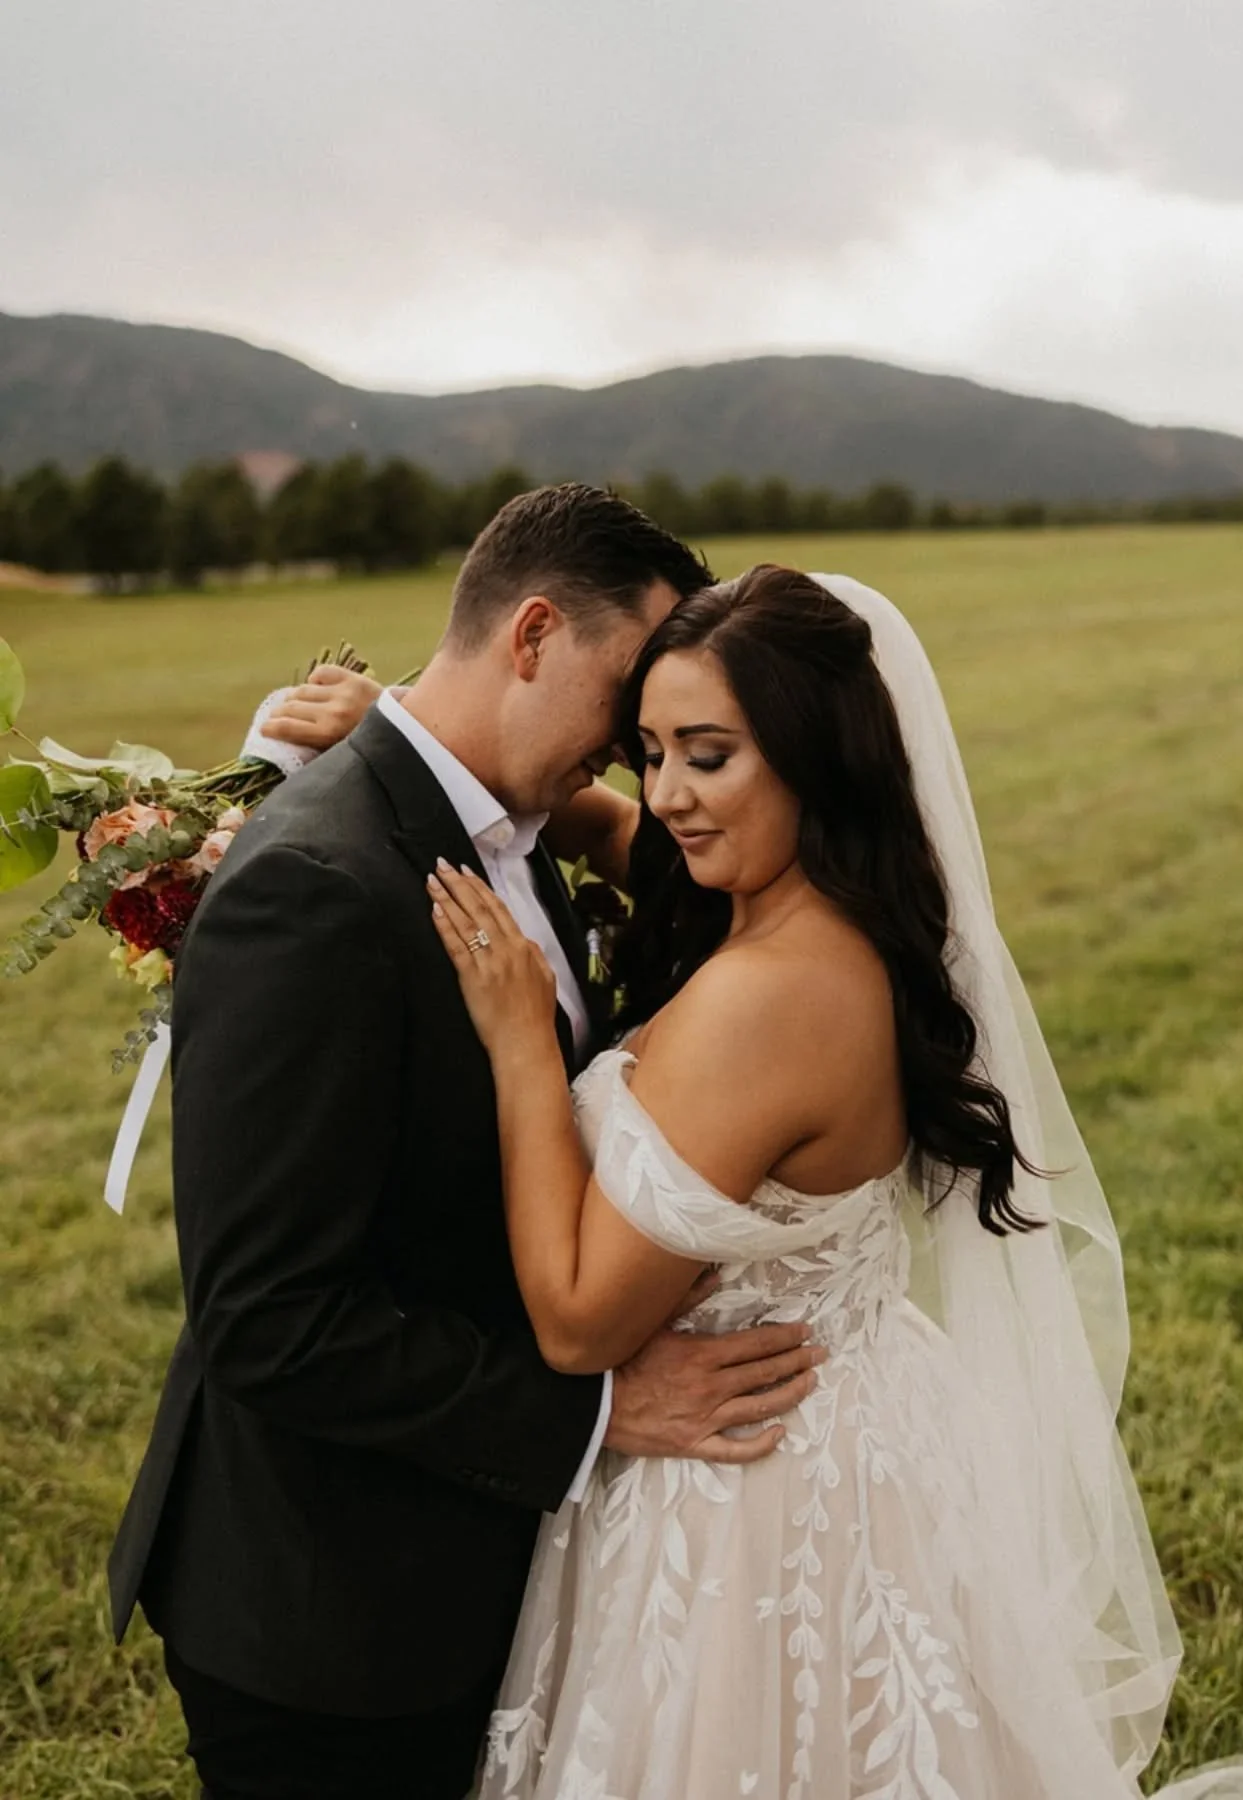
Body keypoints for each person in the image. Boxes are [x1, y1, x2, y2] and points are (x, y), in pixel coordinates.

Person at [409, 564, 1243, 1800]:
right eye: (648, 751)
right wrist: (419, 736)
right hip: (858, 1446)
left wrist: (524, 1043)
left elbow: (576, 1322)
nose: (665, 794)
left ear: (816, 760)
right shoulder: (845, 925)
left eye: (709, 756)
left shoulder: (764, 1003)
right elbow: (646, 839)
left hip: (745, 1504)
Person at [108, 489, 827, 1800]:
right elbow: (269, 1317)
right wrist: (603, 1406)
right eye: (626, 701)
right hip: (330, 1625)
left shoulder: (512, 833)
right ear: (537, 633)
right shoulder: (314, 891)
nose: (632, 753)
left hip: (462, 1572)